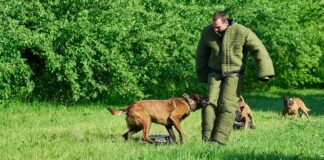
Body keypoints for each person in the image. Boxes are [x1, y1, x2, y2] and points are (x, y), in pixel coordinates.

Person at [195, 11, 275, 145]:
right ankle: (207, 139)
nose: (215, 28)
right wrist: (202, 74)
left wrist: (264, 72)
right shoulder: (207, 32)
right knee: (208, 103)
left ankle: (219, 141)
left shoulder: (241, 31)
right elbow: (201, 54)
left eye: (218, 26)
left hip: (234, 74)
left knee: (227, 105)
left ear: (226, 22)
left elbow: (259, 49)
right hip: (214, 73)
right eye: (213, 25)